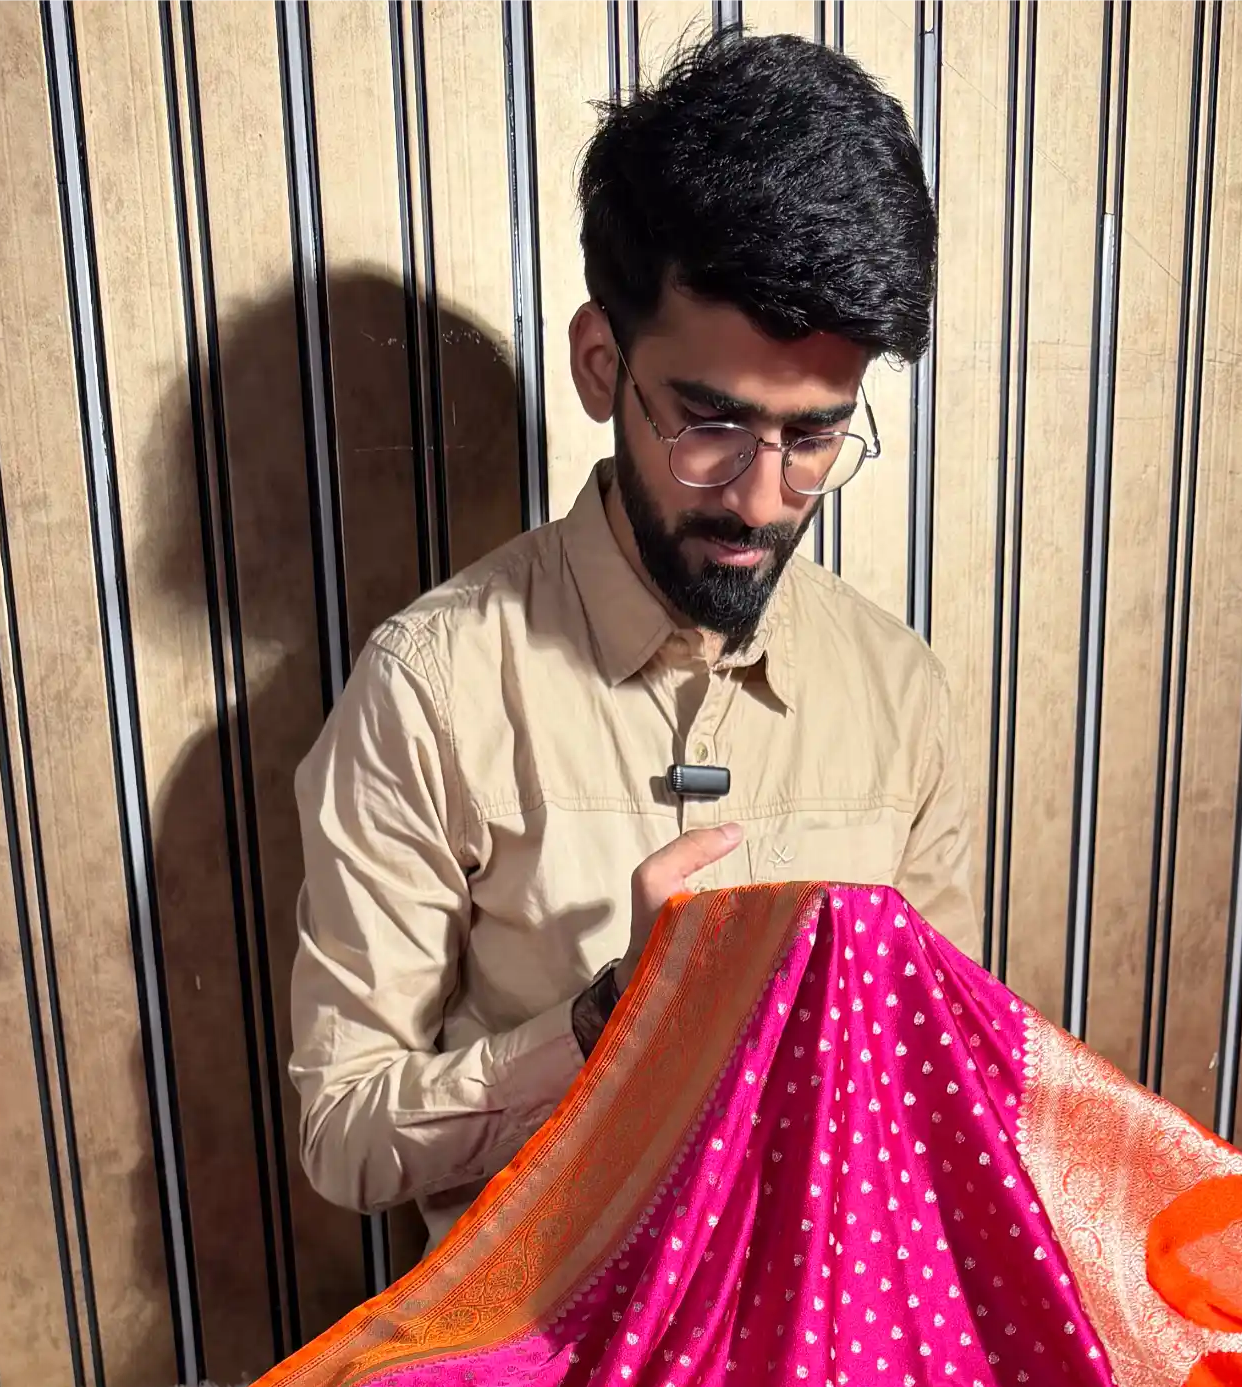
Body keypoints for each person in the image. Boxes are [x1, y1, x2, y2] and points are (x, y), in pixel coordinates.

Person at [288, 30, 978, 1243]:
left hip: (830, 1345)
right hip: (545, 1356)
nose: (764, 499)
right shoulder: (430, 690)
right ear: (603, 364)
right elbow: (343, 1133)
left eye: (814, 436)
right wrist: (601, 1026)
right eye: (709, 426)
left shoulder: (902, 692)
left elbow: (943, 1094)